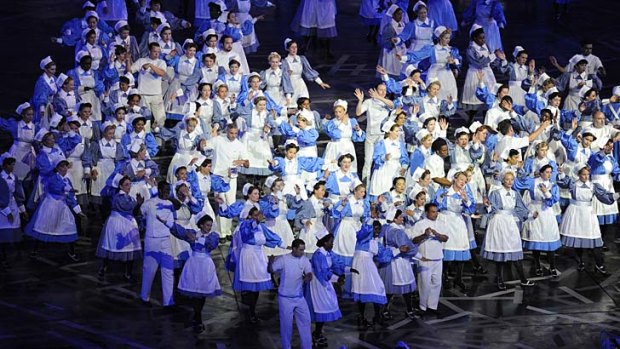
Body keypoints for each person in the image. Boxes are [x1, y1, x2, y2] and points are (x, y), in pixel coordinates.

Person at [160, 212, 222, 333]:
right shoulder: (193, 233)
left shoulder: (213, 235)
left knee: (202, 292)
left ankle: (197, 315)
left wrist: (198, 239)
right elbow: (180, 231)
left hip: (205, 264)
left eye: (210, 225)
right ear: (201, 225)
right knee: (195, 292)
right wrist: (166, 222)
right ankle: (197, 317)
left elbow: (212, 244)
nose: (209, 227)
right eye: (207, 225)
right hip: (194, 263)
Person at [228, 207, 288, 323]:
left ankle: (252, 309)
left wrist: (285, 245)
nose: (257, 217)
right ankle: (250, 310)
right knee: (250, 285)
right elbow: (246, 234)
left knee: (257, 285)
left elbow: (271, 236)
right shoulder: (244, 225)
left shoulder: (261, 226)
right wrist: (255, 222)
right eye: (255, 215)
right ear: (250, 216)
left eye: (258, 215)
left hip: (259, 256)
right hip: (248, 256)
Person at [557, 164, 619, 275]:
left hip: (588, 214)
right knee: (578, 239)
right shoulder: (573, 184)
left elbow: (604, 197)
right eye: (583, 174)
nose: (586, 177)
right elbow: (562, 183)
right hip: (575, 213)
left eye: (587, 174)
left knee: (595, 241)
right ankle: (581, 261)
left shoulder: (593, 186)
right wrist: (561, 173)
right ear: (579, 175)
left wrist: (616, 195)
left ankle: (599, 264)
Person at [482, 171, 535, 290]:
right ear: (503, 180)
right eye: (507, 179)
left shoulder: (515, 194)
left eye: (512, 179)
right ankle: (500, 279)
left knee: (515, 249)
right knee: (500, 251)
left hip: (510, 222)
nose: (510, 182)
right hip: (499, 222)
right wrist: (487, 206)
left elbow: (521, 208)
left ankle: (523, 279)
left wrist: (531, 215)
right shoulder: (496, 193)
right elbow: (491, 208)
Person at [26, 159, 83, 261]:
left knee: (69, 226)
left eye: (66, 166)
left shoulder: (67, 180)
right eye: (62, 166)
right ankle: (34, 250)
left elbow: (70, 197)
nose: (64, 168)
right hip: (50, 205)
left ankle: (72, 252)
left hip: (62, 206)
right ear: (56, 168)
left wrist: (78, 211)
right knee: (43, 226)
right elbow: (55, 187)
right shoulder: (52, 178)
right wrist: (67, 189)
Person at [204, 123, 250, 238]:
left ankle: (228, 230)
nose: (233, 135)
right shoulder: (218, 140)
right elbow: (204, 146)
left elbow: (247, 163)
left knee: (230, 203)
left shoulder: (240, 145)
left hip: (232, 177)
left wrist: (242, 162)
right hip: (218, 176)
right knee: (220, 203)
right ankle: (221, 233)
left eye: (235, 133)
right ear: (227, 131)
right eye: (231, 133)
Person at [96, 175, 143, 280]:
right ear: (121, 186)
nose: (129, 187)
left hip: (128, 223)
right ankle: (103, 268)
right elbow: (125, 207)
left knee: (130, 248)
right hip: (118, 223)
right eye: (126, 185)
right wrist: (137, 204)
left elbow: (134, 211)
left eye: (130, 184)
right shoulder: (118, 197)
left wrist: (138, 206)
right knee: (111, 246)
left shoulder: (129, 197)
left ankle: (128, 272)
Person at [269, 239, 313, 349]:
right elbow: (271, 270)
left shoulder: (304, 260)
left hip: (299, 298)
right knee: (286, 326)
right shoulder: (284, 259)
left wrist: (308, 277)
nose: (302, 252)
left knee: (306, 322)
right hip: (285, 299)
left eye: (303, 250)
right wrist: (270, 262)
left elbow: (309, 272)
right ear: (294, 249)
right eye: (300, 250)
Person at [305, 229, 346, 347]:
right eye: (331, 242)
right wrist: (336, 279)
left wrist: (345, 271)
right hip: (318, 284)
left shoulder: (328, 253)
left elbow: (337, 263)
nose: (332, 244)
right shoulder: (318, 255)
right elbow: (321, 272)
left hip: (325, 282)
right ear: (324, 243)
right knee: (321, 308)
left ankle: (317, 333)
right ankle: (316, 334)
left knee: (325, 307)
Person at [140, 181, 175, 307]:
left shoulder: (171, 204)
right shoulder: (149, 203)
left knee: (168, 271)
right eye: (165, 190)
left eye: (168, 190)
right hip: (152, 240)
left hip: (166, 240)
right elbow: (140, 214)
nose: (167, 193)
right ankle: (144, 297)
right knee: (149, 270)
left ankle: (168, 301)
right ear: (159, 190)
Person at [379, 208, 419, 319]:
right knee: (400, 287)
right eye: (400, 217)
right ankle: (407, 310)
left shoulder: (387, 228)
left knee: (394, 288)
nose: (402, 218)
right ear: (394, 218)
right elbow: (406, 246)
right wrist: (416, 253)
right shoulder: (396, 231)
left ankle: (386, 310)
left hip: (393, 258)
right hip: (398, 260)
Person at [352, 221, 391, 328]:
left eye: (379, 229)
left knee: (378, 288)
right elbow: (362, 231)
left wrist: (396, 251)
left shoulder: (376, 243)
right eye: (375, 228)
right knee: (361, 290)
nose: (377, 231)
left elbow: (383, 257)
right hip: (360, 266)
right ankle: (361, 317)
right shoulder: (362, 239)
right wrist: (369, 221)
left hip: (369, 266)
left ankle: (377, 316)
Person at [412, 203, 449, 314]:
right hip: (425, 258)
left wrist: (437, 234)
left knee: (436, 283)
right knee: (424, 283)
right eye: (433, 212)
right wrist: (425, 235)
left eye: (436, 211)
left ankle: (432, 306)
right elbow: (414, 240)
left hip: (438, 257)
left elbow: (445, 238)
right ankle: (422, 307)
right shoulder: (419, 224)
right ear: (427, 212)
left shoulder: (441, 224)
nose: (435, 214)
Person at [354, 84, 394, 181]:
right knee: (368, 161)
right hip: (370, 136)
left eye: (385, 90)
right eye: (380, 90)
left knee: (380, 160)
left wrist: (379, 97)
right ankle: (365, 183)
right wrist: (360, 101)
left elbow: (392, 105)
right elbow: (358, 113)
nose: (383, 92)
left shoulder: (386, 103)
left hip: (382, 136)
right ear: (375, 90)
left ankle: (377, 181)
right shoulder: (369, 102)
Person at [281, 39, 330, 108]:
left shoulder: (301, 59)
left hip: (301, 85)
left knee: (305, 103)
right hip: (291, 85)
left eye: (296, 47)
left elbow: (309, 71)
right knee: (292, 106)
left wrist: (320, 82)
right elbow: (285, 78)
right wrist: (288, 95)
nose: (294, 49)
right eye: (292, 47)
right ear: (288, 49)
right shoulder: (285, 62)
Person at [130, 42, 167, 129]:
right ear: (149, 51)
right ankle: (145, 139)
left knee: (161, 120)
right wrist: (128, 60)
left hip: (157, 94)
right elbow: (130, 71)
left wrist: (150, 65)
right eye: (154, 51)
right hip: (143, 94)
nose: (157, 53)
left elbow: (161, 73)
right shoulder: (141, 61)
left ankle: (159, 140)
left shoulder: (161, 62)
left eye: (158, 51)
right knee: (145, 120)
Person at [0, 154, 27, 268]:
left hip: (13, 205)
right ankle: (3, 257)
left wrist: (23, 210)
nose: (13, 167)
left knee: (15, 230)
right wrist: (7, 212)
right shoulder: (1, 179)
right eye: (11, 165)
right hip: (2, 209)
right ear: (5, 165)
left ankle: (17, 254)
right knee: (3, 232)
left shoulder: (14, 177)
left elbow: (17, 194)